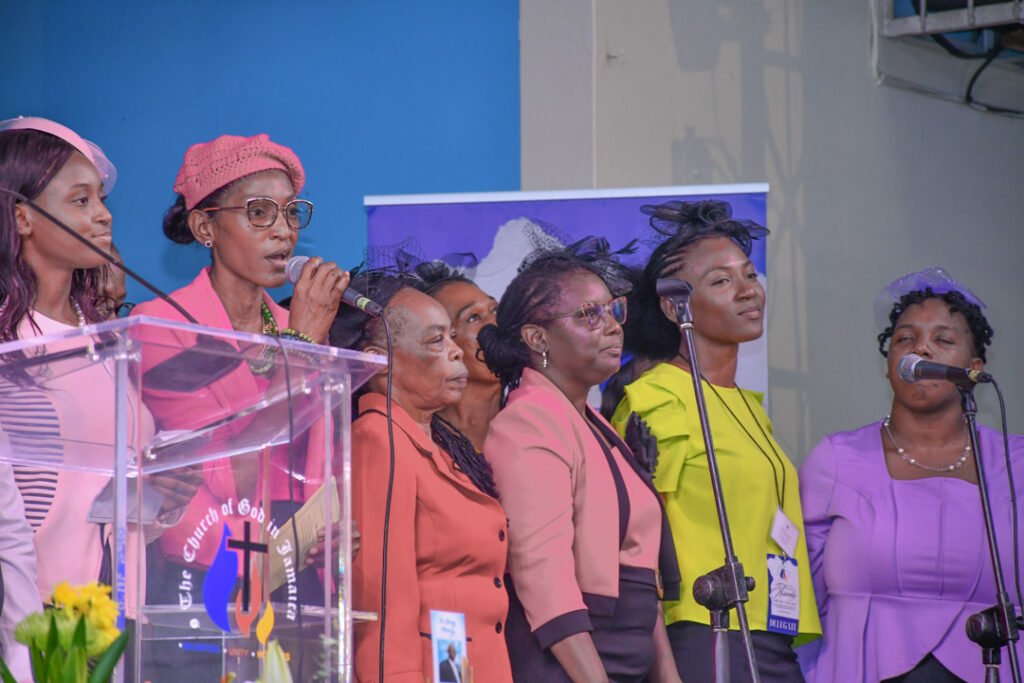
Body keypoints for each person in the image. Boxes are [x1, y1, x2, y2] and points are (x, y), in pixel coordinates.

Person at [610, 200, 820, 681]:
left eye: (749, 275)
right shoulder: (658, 396)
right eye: (722, 281)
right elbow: (637, 539)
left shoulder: (747, 404)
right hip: (703, 633)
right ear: (673, 305)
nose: (748, 292)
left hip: (770, 629)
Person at [798, 267, 1024, 683]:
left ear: (974, 367)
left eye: (943, 339)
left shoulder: (1017, 463)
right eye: (906, 339)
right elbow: (804, 602)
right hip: (857, 670)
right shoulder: (836, 459)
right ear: (890, 365)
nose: (922, 348)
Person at [478, 240, 682, 683]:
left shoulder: (592, 422)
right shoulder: (528, 422)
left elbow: (642, 573)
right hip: (569, 664)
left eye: (613, 311)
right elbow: (543, 578)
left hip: (623, 659)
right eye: (590, 314)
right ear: (538, 338)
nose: (612, 327)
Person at [331, 270, 512, 683]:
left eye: (451, 337)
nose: (457, 352)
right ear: (379, 361)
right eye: (436, 341)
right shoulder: (378, 439)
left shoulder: (435, 444)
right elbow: (380, 600)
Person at [414, 258, 500, 451]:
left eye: (495, 309)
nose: (496, 324)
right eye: (473, 317)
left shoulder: (537, 417)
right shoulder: (421, 437)